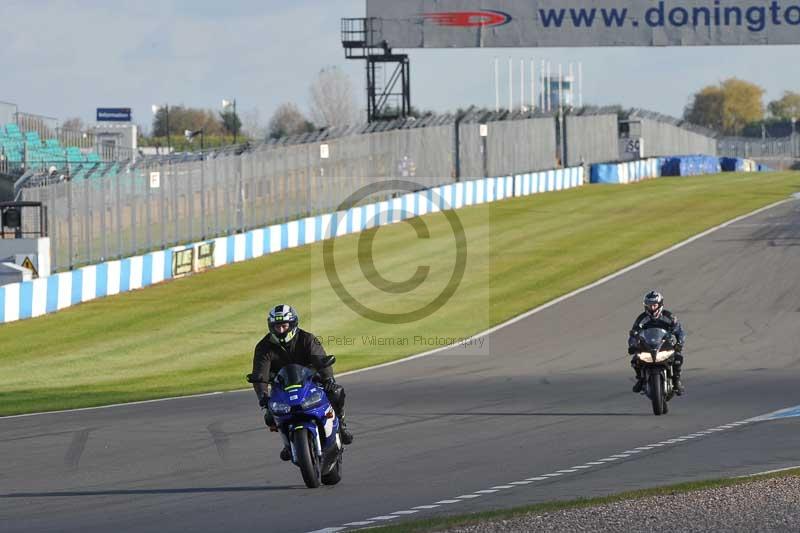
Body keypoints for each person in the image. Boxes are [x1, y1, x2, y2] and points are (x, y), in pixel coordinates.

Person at [248, 304, 354, 461]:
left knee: (336, 392)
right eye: (277, 326)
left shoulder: (307, 339)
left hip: (311, 381)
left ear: (292, 324)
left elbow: (321, 360)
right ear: (271, 327)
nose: (281, 330)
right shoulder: (263, 347)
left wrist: (328, 379)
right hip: (282, 387)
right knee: (270, 415)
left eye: (284, 326)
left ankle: (342, 425)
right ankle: (287, 443)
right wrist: (263, 396)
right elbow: (260, 375)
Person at [627, 291, 686, 395]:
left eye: (654, 305)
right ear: (646, 306)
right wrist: (632, 345)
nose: (652, 308)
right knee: (635, 360)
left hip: (665, 344)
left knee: (678, 358)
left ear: (660, 305)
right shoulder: (641, 319)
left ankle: (676, 382)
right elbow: (633, 333)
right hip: (647, 345)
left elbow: (679, 331)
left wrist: (679, 343)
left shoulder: (669, 317)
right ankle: (640, 380)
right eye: (649, 305)